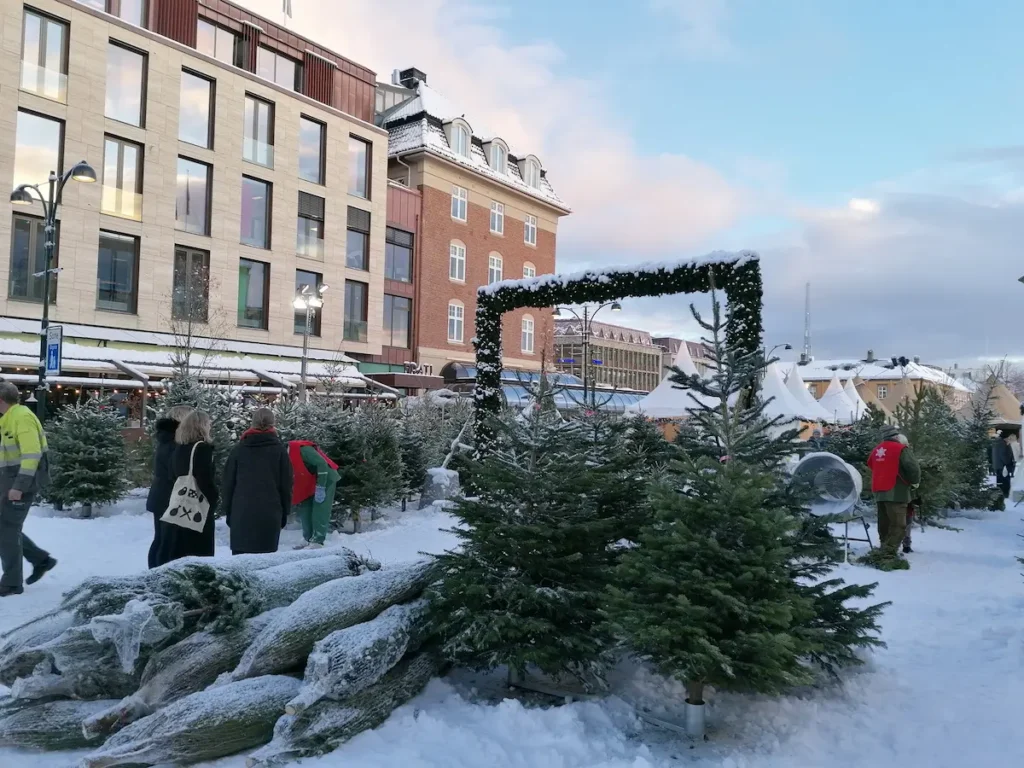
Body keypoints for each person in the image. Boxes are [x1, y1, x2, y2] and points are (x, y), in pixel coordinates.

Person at [0, 382, 57, 596]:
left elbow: (31, 455)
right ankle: (41, 559)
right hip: (9, 481)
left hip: (20, 483)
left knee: (6, 528)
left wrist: (19, 487)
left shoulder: (22, 417)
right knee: (6, 528)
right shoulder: (8, 418)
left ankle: (12, 582)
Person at [152, 410, 218, 566]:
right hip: (197, 508)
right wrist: (214, 499)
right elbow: (205, 480)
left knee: (179, 553)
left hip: (179, 507)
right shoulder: (201, 448)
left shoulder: (179, 448)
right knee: (198, 555)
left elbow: (172, 475)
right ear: (201, 426)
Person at [222, 408, 293, 555]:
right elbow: (286, 485)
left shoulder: (239, 450)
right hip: (269, 514)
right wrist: (284, 512)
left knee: (240, 567)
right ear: (273, 424)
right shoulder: (279, 451)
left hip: (241, 513)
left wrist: (228, 511)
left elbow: (228, 483)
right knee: (264, 566)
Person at [145, 405, 194, 569]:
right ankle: (159, 574)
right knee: (167, 542)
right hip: (169, 497)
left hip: (160, 496)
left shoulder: (165, 439)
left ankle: (153, 571)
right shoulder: (175, 444)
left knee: (160, 539)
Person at [866, 425, 921, 560]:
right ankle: (889, 553)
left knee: (884, 522)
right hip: (896, 492)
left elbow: (870, 464)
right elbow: (913, 468)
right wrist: (914, 482)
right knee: (898, 524)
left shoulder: (877, 450)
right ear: (896, 436)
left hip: (879, 491)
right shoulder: (901, 449)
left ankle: (884, 547)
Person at [288, 439, 339, 549]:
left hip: (326, 479)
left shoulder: (302, 450)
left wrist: (321, 486)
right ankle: (308, 538)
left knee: (320, 508)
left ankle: (318, 540)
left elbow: (322, 463)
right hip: (311, 479)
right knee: (305, 507)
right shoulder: (289, 456)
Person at [991, 430, 1015, 499]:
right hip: (1003, 466)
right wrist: (1008, 463)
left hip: (998, 465)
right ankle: (1004, 494)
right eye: (1008, 438)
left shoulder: (996, 442)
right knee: (1004, 480)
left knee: (999, 480)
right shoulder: (1002, 443)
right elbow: (1003, 455)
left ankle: (1000, 493)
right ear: (1005, 437)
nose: (1008, 439)